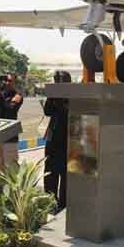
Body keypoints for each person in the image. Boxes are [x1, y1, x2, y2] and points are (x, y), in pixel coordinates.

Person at [43, 70, 71, 214]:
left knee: (66, 174)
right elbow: (47, 111)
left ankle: (63, 204)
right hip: (53, 139)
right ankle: (49, 202)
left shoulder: (72, 95)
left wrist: (61, 99)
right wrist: (53, 95)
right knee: (50, 172)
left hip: (67, 140)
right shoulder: (54, 95)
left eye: (58, 80)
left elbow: (68, 112)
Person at [0, 74, 24, 173]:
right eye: (5, 80)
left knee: (11, 168)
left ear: (15, 83)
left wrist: (0, 96)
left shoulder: (17, 96)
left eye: (10, 81)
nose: (7, 83)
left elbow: (10, 110)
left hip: (10, 136)